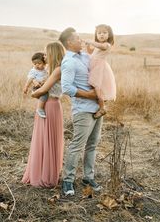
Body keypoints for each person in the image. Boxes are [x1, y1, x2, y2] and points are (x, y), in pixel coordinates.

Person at [59, 27, 103, 196]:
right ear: (70, 43)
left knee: (92, 145)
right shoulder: (68, 62)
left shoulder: (85, 56)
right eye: (78, 38)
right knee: (77, 146)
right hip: (83, 109)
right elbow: (66, 88)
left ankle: (88, 177)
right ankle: (68, 181)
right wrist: (90, 95)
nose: (81, 40)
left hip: (97, 108)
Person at [22, 42, 65, 187]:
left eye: (46, 53)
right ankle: (40, 171)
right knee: (42, 138)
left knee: (49, 138)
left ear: (53, 53)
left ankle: (46, 174)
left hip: (51, 106)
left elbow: (40, 91)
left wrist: (35, 92)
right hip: (49, 105)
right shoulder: (50, 69)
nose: (44, 56)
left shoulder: (57, 70)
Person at [85, 24, 116, 119]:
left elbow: (101, 46)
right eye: (99, 33)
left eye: (104, 33)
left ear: (109, 35)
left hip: (99, 67)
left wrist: (91, 42)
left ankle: (102, 107)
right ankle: (97, 104)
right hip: (94, 66)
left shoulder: (107, 45)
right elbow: (91, 52)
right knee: (93, 86)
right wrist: (88, 45)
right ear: (96, 35)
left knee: (97, 87)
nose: (101, 35)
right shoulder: (98, 45)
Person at [23, 52, 48, 118]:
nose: (37, 65)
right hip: (37, 88)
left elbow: (47, 77)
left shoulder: (45, 70)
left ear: (44, 63)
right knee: (45, 95)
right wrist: (26, 87)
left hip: (43, 86)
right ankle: (40, 108)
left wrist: (44, 81)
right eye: (35, 64)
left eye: (39, 63)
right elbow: (30, 79)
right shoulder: (33, 71)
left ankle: (43, 106)